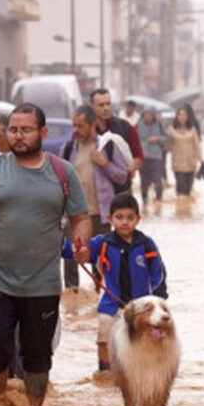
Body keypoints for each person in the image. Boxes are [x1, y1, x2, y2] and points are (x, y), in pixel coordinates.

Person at [0, 103, 93, 406]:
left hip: (43, 282)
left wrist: (81, 242)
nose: (18, 137)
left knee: (37, 356)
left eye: (26, 130)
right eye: (14, 130)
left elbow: (82, 218)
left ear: (43, 133)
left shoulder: (62, 172)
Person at [63, 193, 167, 371]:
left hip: (141, 308)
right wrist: (72, 248)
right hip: (111, 305)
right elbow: (78, 252)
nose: (125, 222)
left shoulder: (147, 245)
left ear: (138, 219)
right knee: (104, 340)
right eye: (119, 217)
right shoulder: (102, 244)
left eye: (130, 218)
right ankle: (105, 374)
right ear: (110, 219)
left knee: (144, 343)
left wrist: (157, 300)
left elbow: (158, 272)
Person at [60, 104, 129, 290]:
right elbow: (59, 180)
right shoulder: (68, 148)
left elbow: (122, 176)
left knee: (101, 259)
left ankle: (100, 295)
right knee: (70, 258)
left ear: (93, 125)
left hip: (101, 213)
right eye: (74, 125)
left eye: (80, 125)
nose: (76, 130)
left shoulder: (107, 146)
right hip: (74, 213)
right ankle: (72, 297)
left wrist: (105, 164)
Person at [90, 89, 143, 193]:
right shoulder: (87, 130)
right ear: (92, 106)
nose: (105, 108)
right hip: (95, 191)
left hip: (121, 189)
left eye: (108, 104)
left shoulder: (125, 128)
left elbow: (139, 156)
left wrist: (129, 170)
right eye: (101, 105)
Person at [169, 106, 203, 214]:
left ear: (188, 117)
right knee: (181, 190)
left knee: (188, 192)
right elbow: (167, 146)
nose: (182, 117)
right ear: (177, 116)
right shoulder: (171, 130)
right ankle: (180, 214)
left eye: (184, 115)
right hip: (178, 165)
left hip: (191, 164)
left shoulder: (192, 130)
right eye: (180, 115)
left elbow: (197, 146)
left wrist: (202, 161)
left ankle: (186, 215)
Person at [136, 107, 168, 207]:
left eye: (150, 114)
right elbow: (133, 139)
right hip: (143, 157)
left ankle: (159, 201)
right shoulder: (138, 125)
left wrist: (158, 138)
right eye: (146, 114)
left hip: (156, 157)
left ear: (154, 115)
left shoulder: (159, 125)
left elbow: (167, 138)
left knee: (157, 180)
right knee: (144, 182)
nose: (148, 116)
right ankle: (144, 202)